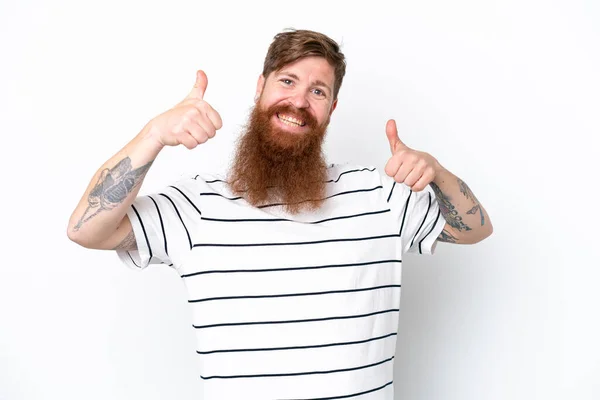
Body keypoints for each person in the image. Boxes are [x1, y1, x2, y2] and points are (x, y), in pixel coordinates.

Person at [68, 29, 493, 400]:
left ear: (332, 109)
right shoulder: (198, 205)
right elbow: (87, 230)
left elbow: (475, 228)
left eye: (318, 91)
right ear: (260, 87)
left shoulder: (378, 195)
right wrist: (154, 135)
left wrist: (436, 173)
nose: (299, 101)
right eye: (287, 80)